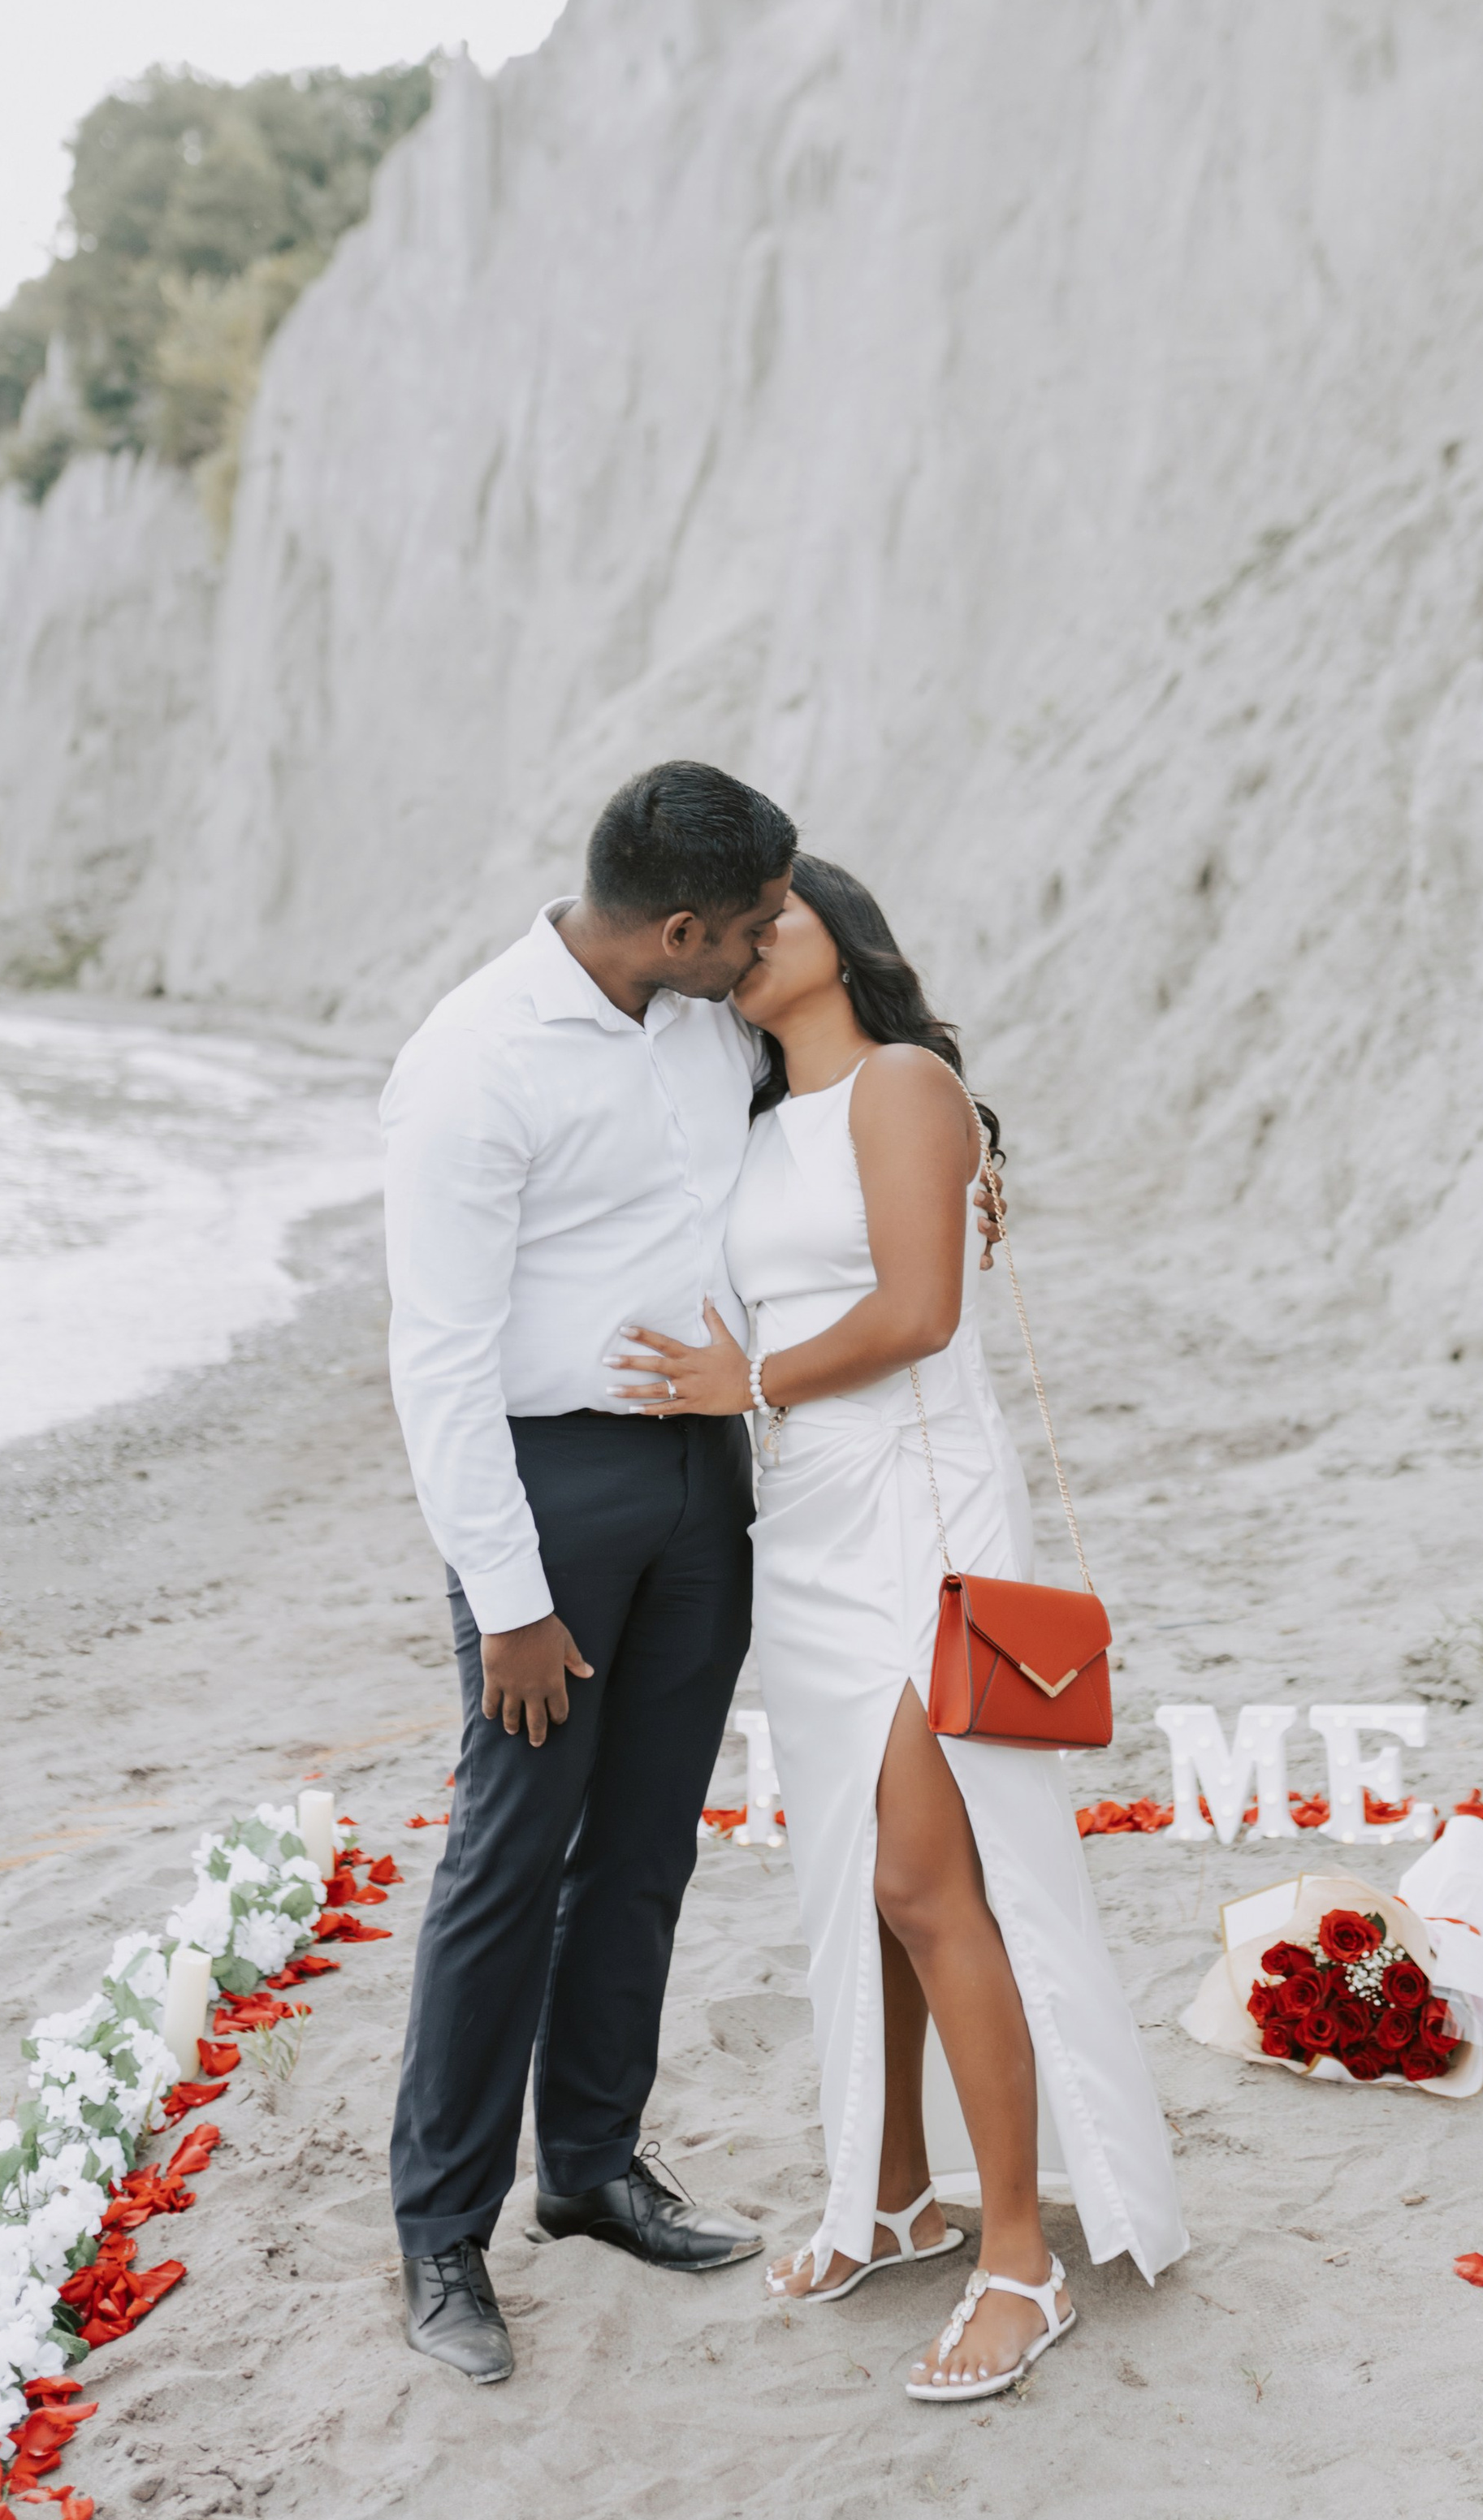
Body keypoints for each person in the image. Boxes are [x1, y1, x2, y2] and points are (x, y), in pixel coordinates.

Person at [613, 854, 1187, 2401]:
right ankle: (893, 2198)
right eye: (736, 925)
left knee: (936, 1884)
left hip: (923, 1510)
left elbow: (921, 1312)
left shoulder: (905, 1085)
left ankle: (1020, 2260)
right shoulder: (757, 1123)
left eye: (777, 913)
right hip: (805, 1523)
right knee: (857, 1883)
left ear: (842, 934)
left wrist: (747, 1383)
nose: (750, 938)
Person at [378, 760, 798, 2384]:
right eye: (750, 924)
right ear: (679, 926)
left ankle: (592, 2167)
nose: (766, 946)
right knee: (507, 1859)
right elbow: (437, 1357)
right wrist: (508, 1599)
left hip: (703, 1477)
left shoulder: (704, 1023)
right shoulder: (472, 1060)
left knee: (642, 1848)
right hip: (548, 1495)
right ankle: (441, 2232)